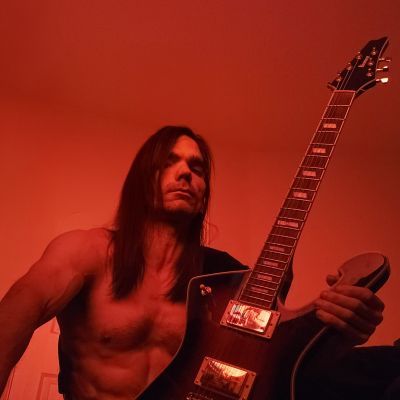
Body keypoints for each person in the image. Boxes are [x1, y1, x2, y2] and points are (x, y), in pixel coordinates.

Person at [0, 126, 386, 399]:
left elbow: (280, 367)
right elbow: (18, 311)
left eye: (197, 167)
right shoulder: (87, 251)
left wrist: (341, 329)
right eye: (169, 162)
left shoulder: (228, 279)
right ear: (142, 180)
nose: (185, 172)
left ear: (203, 194)